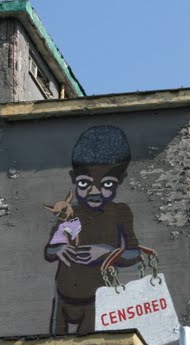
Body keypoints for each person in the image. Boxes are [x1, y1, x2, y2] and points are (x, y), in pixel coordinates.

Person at [45, 126, 140, 333]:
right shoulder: (70, 213)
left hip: (96, 301)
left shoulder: (119, 213)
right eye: (84, 183)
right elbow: (50, 251)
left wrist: (107, 252)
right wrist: (59, 250)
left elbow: (134, 253)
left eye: (107, 184)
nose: (94, 191)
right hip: (63, 296)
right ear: (73, 178)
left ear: (120, 180)